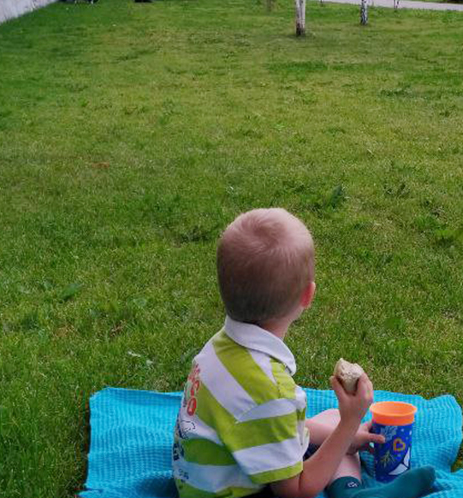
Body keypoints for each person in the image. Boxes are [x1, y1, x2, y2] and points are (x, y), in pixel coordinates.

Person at [172, 209, 436, 498]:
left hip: (203, 478)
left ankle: (345, 449)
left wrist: (346, 431)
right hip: (233, 492)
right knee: (340, 423)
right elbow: (295, 490)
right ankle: (351, 492)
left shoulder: (220, 347)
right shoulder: (270, 391)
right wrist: (350, 423)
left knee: (334, 417)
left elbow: (272, 426)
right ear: (307, 295)